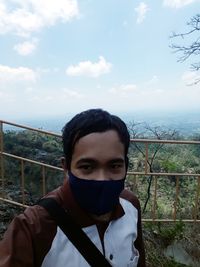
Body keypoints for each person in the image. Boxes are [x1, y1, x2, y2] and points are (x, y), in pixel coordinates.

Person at [0, 108, 146, 267]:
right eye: (87, 167)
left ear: (126, 165)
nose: (102, 179)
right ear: (66, 167)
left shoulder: (131, 205)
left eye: (115, 166)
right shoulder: (33, 228)